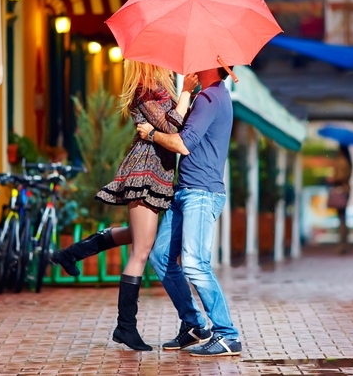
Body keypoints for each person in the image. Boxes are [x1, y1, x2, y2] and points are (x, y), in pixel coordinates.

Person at [50, 61, 198, 351]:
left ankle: (70, 253)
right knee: (142, 250)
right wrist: (185, 94)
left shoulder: (156, 90)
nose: (168, 64)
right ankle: (125, 327)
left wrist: (186, 98)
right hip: (144, 173)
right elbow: (170, 127)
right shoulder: (144, 90)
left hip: (156, 173)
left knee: (138, 235)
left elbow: (176, 126)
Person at [136, 66, 241, 357]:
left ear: (213, 64)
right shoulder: (205, 97)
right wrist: (184, 95)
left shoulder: (211, 99)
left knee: (195, 263)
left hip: (201, 194)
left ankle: (227, 334)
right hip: (185, 191)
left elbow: (182, 144)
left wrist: (151, 134)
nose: (189, 62)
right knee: (161, 256)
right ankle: (195, 325)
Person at [327, 145, 352, 254]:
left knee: (341, 218)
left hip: (341, 190)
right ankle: (343, 243)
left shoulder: (341, 161)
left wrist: (333, 179)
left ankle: (342, 244)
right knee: (343, 218)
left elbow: (341, 176)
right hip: (345, 190)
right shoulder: (348, 161)